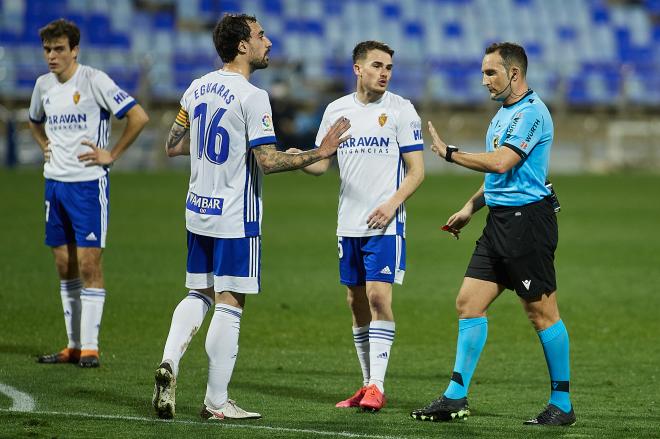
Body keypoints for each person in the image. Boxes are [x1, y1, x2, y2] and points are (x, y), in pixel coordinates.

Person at [151, 13, 350, 421]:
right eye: (261, 35)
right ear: (242, 45)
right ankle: (217, 402)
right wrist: (322, 151)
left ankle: (169, 361)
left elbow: (172, 145)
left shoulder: (196, 87)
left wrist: (218, 148)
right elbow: (269, 161)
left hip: (197, 210)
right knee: (229, 302)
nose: (269, 42)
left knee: (198, 293)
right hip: (235, 216)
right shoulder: (252, 95)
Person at [410, 42, 575, 426]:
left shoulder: (532, 113)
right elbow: (497, 177)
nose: (484, 81)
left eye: (490, 73)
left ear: (513, 74)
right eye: (483, 73)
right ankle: (455, 396)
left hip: (527, 224)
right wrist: (470, 207)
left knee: (541, 312)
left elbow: (502, 162)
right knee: (468, 302)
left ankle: (562, 404)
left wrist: (450, 153)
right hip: (499, 222)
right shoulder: (503, 115)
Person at [289, 41, 425, 412]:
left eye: (390, 67)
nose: (385, 73)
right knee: (356, 302)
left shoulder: (401, 110)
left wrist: (391, 206)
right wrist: (297, 158)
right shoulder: (337, 110)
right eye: (378, 65)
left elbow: (417, 171)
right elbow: (321, 163)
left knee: (380, 297)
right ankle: (366, 384)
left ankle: (378, 386)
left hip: (386, 224)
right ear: (357, 68)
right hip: (348, 224)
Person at [29, 19, 149, 368]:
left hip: (87, 185)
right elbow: (34, 120)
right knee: (64, 264)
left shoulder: (94, 80)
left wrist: (111, 155)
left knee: (89, 263)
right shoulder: (42, 86)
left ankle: (91, 346)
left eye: (59, 49)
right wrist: (43, 145)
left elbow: (138, 116)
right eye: (47, 50)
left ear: (75, 50)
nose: (52, 56)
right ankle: (73, 345)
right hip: (54, 183)